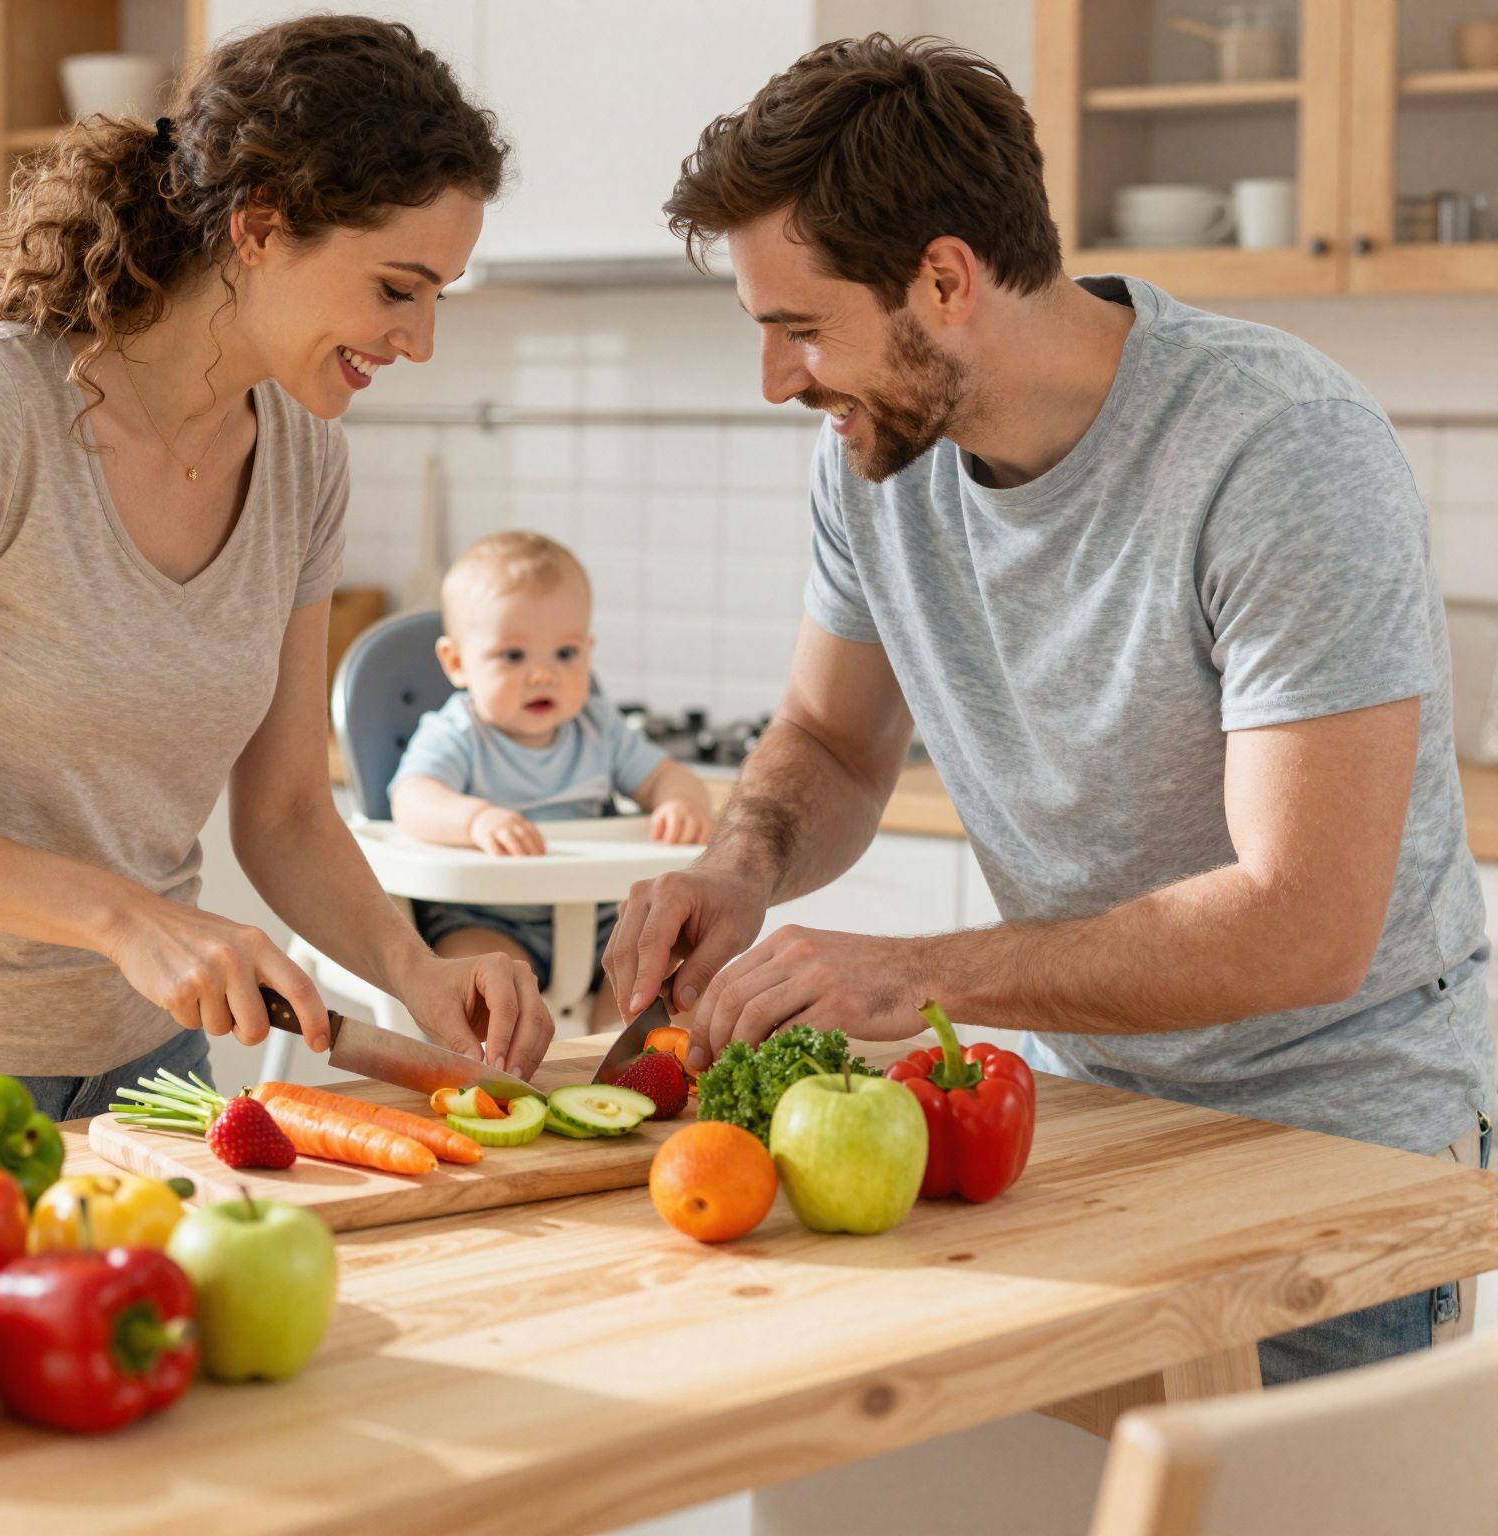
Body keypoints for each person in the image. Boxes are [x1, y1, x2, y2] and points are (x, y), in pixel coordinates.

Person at [607, 33, 1492, 1383]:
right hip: (1071, 1117)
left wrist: (920, 972)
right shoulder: (877, 457)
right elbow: (834, 740)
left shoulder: (1278, 449)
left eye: (799, 327)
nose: (778, 381)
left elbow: (1306, 922)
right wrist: (741, 865)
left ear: (945, 280)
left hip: (1330, 1150)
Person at [0, 15, 554, 1123]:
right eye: (395, 288)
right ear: (261, 228)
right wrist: (123, 917)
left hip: (153, 1077)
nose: (417, 341)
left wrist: (411, 971)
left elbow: (280, 813)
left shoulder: (304, 458)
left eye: (435, 299)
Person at [388, 531, 714, 1023]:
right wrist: (476, 820)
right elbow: (411, 797)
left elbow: (668, 776)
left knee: (667, 971)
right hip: (488, 921)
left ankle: (625, 1059)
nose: (543, 674)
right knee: (479, 988)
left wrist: (679, 803)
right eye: (514, 656)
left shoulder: (599, 729)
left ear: (588, 649)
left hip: (605, 929)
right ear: (457, 663)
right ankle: (500, 1083)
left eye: (564, 654)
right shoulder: (457, 733)